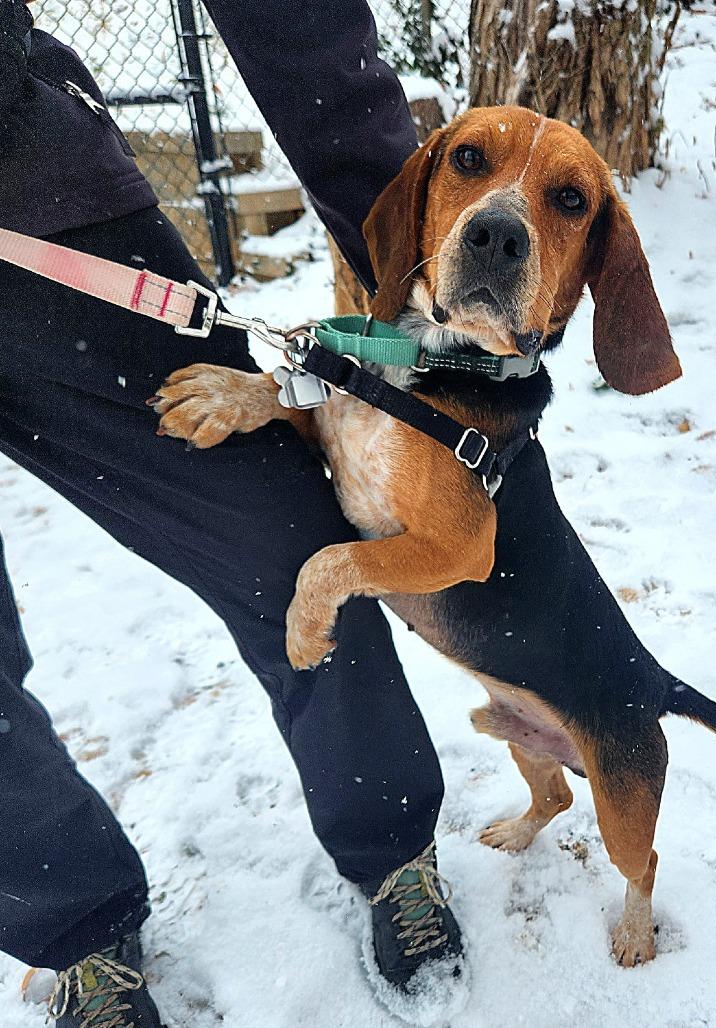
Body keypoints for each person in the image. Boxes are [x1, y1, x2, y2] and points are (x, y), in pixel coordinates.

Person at [0, 1, 462, 1023]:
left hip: (34, 205)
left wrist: (414, 268)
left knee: (285, 544)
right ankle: (73, 924)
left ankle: (390, 842)